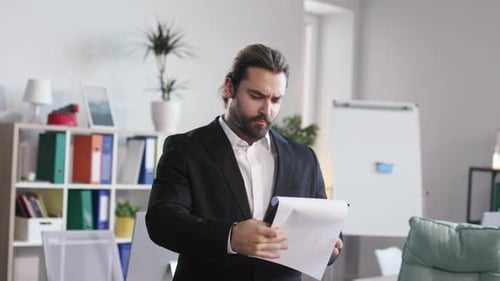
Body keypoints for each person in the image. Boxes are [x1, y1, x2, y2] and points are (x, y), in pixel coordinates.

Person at [146, 43, 343, 281]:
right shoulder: (186, 149)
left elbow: (325, 226)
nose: (267, 110)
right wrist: (230, 236)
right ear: (230, 87)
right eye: (257, 96)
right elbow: (162, 221)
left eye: (276, 99)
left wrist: (329, 247)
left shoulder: (304, 158)